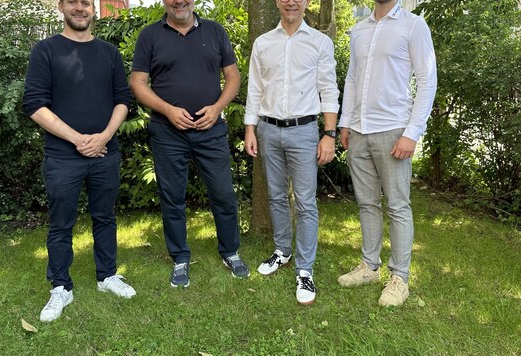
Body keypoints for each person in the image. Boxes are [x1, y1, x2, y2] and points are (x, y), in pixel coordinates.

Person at [22, 0, 136, 322]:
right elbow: (34, 104)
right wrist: (78, 140)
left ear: (93, 9)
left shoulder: (109, 53)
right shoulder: (45, 50)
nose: (80, 8)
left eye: (86, 2)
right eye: (73, 1)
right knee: (61, 224)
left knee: (105, 218)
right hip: (62, 158)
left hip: (105, 153)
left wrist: (103, 137)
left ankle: (107, 276)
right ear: (61, 7)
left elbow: (123, 100)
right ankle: (61, 287)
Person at [129, 0, 249, 288]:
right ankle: (180, 258)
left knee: (222, 193)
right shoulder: (150, 35)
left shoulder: (215, 31)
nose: (179, 1)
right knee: (172, 198)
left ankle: (230, 252)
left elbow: (233, 76)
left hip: (211, 130)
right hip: (168, 132)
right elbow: (137, 82)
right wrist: (168, 110)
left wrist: (218, 107)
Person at [337, 0, 437, 307]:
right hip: (358, 131)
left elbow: (427, 80)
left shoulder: (413, 25)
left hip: (394, 130)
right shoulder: (359, 30)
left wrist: (412, 132)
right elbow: (352, 79)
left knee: (397, 205)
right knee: (367, 203)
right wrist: (345, 122)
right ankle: (369, 266)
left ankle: (400, 278)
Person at [244, 0, 340, 305]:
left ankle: (305, 270)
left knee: (306, 202)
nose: (291, 2)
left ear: (307, 2)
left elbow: (329, 90)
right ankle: (282, 251)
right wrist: (250, 128)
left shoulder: (320, 42)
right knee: (275, 195)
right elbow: (255, 89)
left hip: (304, 131)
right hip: (268, 130)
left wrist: (329, 135)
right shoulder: (263, 43)